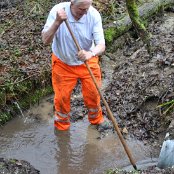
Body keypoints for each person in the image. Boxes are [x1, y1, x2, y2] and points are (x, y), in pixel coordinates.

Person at [42, 0, 111, 131]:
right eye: (81, 9)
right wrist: (57, 22)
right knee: (61, 98)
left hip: (87, 61)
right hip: (63, 63)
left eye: (87, 9)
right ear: (71, 3)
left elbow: (101, 46)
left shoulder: (93, 15)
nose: (85, 13)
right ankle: (62, 127)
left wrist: (91, 53)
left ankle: (96, 120)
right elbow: (45, 40)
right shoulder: (58, 11)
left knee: (93, 93)